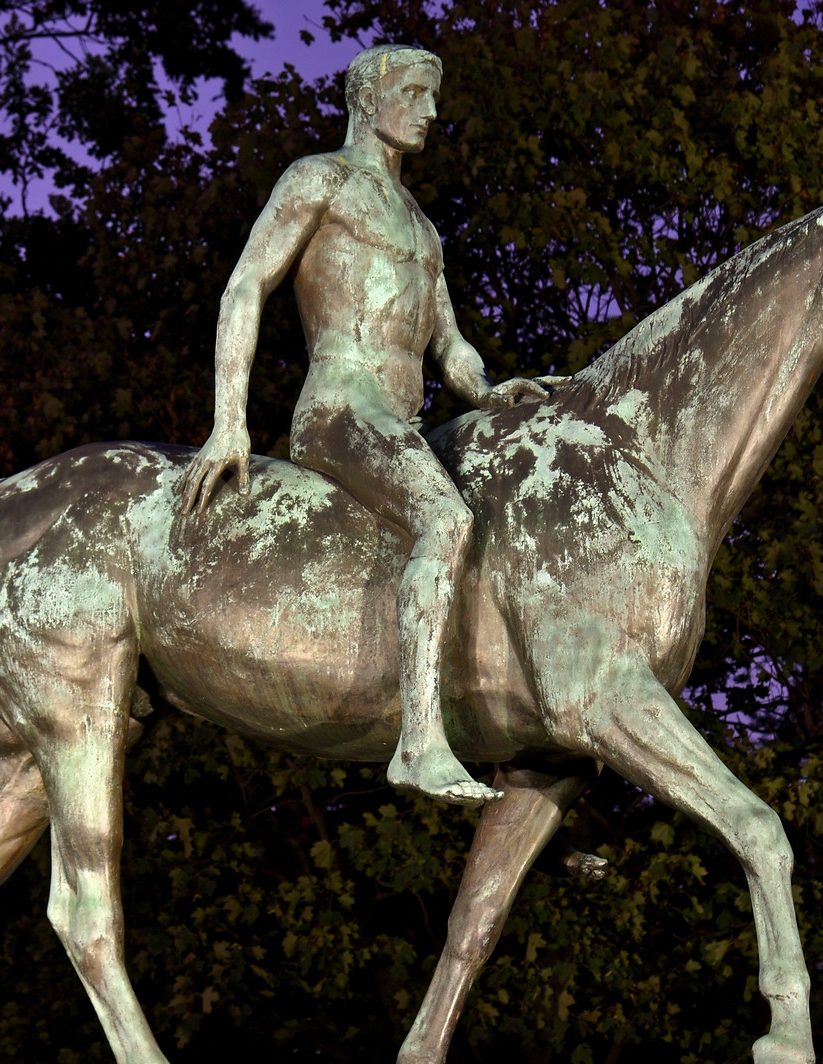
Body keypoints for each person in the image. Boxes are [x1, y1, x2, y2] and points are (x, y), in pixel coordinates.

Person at [179, 43, 556, 806]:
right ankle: (418, 744)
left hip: (403, 421)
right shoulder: (320, 178)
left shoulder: (421, 225)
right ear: (366, 97)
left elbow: (449, 345)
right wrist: (228, 420)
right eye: (413, 93)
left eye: (433, 96)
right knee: (447, 518)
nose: (430, 111)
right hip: (341, 409)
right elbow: (246, 284)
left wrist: (489, 390)